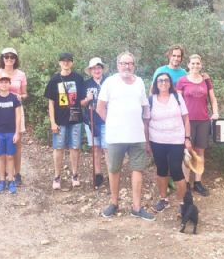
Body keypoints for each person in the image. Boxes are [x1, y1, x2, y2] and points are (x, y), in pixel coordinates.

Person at [97, 51, 155, 221]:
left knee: (137, 169)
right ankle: (114, 203)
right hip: (115, 136)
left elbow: (145, 108)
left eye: (130, 63)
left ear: (134, 66)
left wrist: (146, 132)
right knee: (114, 169)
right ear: (118, 65)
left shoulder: (139, 84)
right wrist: (112, 123)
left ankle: (137, 207)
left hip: (137, 135)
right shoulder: (110, 82)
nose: (127, 66)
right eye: (123, 63)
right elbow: (100, 108)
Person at [146, 72, 191, 214]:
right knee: (161, 170)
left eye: (166, 80)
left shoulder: (177, 97)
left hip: (176, 140)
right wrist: (147, 142)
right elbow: (146, 122)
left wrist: (187, 138)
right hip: (157, 140)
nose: (163, 83)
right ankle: (163, 199)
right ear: (155, 83)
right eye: (160, 80)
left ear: (170, 83)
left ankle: (183, 202)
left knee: (176, 170)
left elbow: (186, 119)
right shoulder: (151, 100)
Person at [176, 54, 219, 196]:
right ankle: (186, 183)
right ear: (188, 65)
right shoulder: (182, 81)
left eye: (198, 63)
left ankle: (198, 183)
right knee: (188, 152)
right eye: (193, 63)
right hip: (187, 121)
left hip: (203, 120)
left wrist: (216, 112)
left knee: (200, 152)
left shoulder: (206, 81)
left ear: (201, 65)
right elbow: (177, 102)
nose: (195, 66)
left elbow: (212, 99)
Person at [44, 52, 86, 190]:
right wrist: (52, 122)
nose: (66, 63)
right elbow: (50, 103)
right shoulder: (54, 80)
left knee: (75, 147)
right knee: (58, 148)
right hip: (59, 120)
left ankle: (75, 174)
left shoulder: (78, 79)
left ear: (72, 63)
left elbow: (82, 100)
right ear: (59, 63)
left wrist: (90, 99)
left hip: (76, 119)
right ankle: (57, 176)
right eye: (63, 60)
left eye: (69, 60)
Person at [0, 47, 27, 186]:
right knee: (2, 140)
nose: (9, 59)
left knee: (17, 142)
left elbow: (25, 93)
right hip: (1, 110)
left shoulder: (21, 74)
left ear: (16, 59)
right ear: (2, 58)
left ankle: (17, 172)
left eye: (12, 57)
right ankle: (4, 173)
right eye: (6, 57)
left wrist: (20, 96)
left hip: (16, 108)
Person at [0, 72, 21, 194]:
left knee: (10, 156)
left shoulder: (14, 98)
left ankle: (11, 180)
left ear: (9, 83)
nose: (4, 84)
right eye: (1, 82)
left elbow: (18, 117)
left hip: (11, 132)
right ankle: (1, 180)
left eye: (6, 82)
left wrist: (17, 133)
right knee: (1, 156)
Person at [81, 57, 108, 188]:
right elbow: (81, 103)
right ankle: (98, 174)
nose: (96, 70)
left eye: (99, 68)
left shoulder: (109, 82)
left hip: (106, 120)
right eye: (94, 68)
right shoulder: (85, 84)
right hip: (91, 120)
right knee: (96, 148)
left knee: (107, 148)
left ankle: (111, 173)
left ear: (102, 69)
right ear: (90, 70)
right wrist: (87, 99)